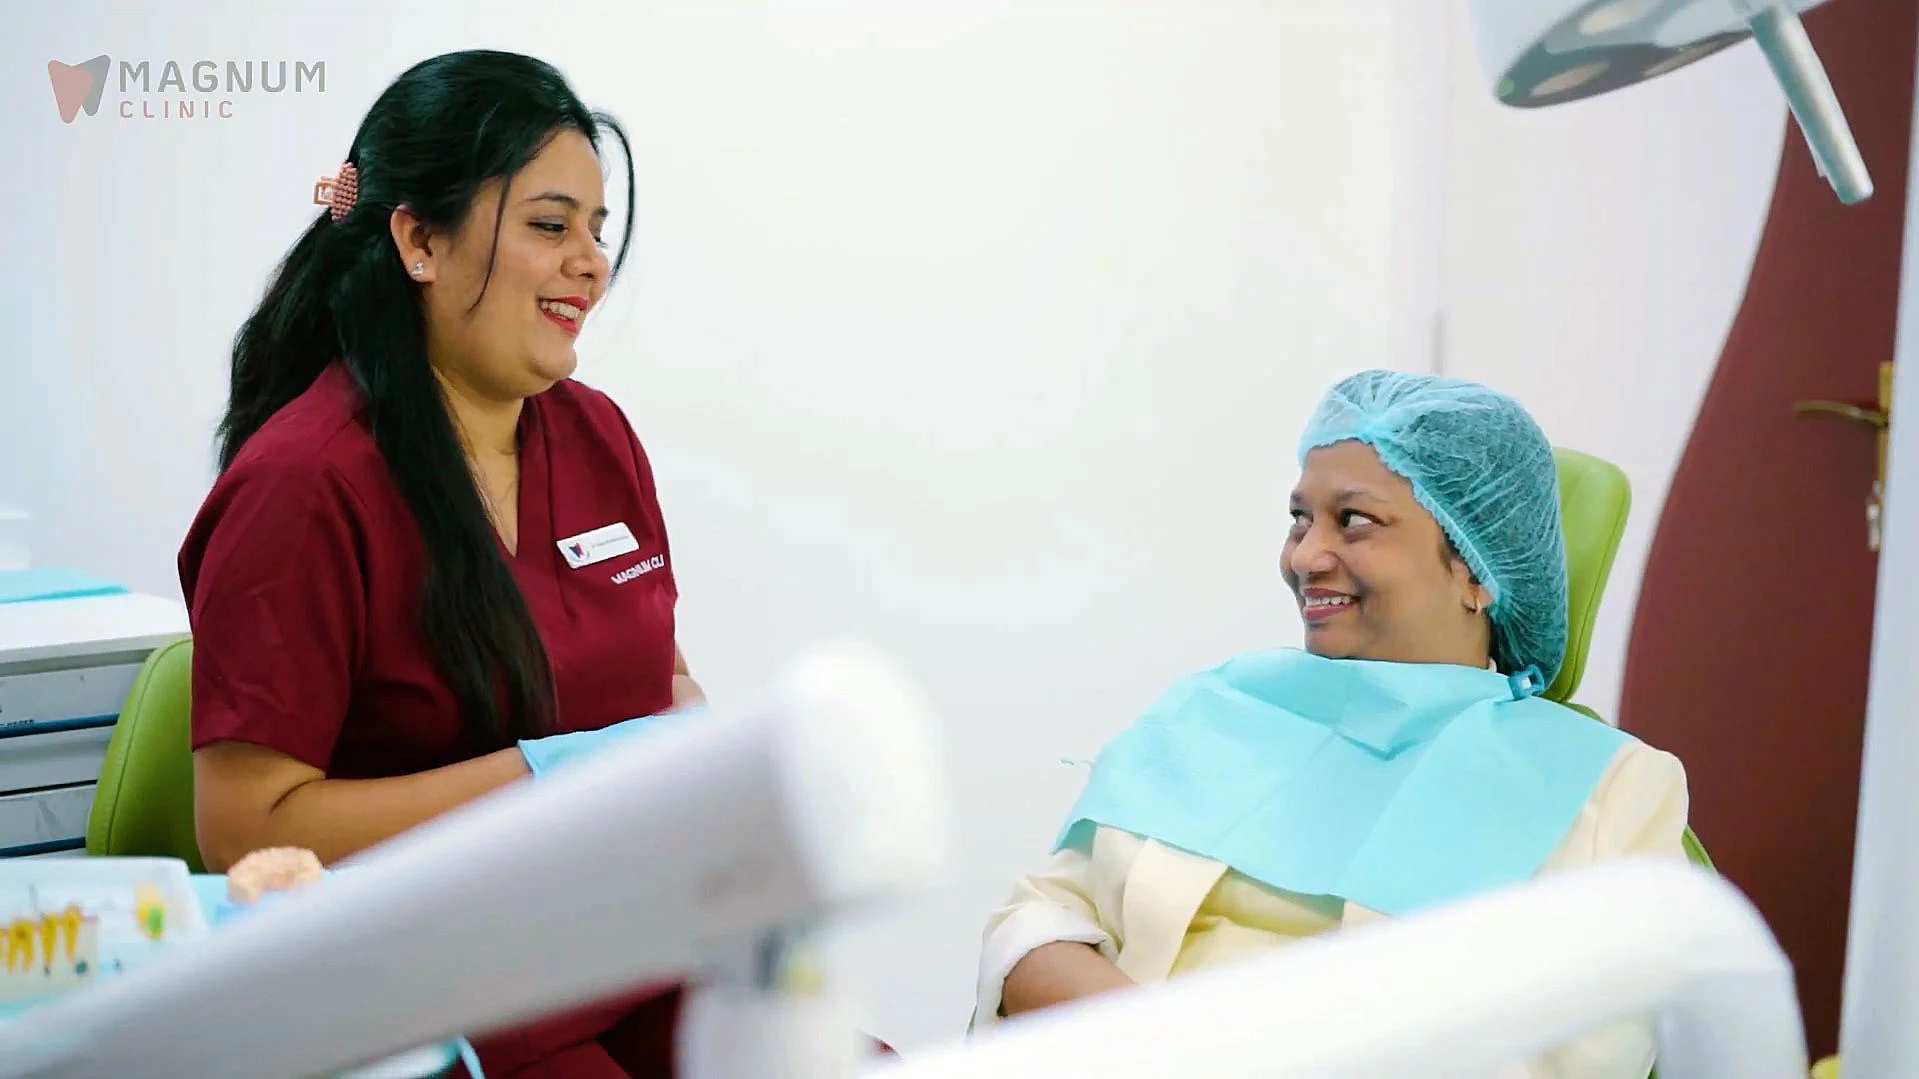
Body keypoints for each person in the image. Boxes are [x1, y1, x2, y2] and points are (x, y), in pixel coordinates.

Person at [179, 49, 705, 1078]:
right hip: (437, 1004)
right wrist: (537, 782)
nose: (591, 265)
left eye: (597, 231)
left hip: (635, 951)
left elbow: (656, 676)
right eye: (550, 225)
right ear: (419, 240)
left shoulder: (598, 437)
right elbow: (245, 828)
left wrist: (715, 767)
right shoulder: (306, 485)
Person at [971, 370, 1691, 1078]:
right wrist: (1158, 1048)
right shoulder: (1214, 711)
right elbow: (1035, 918)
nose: (1304, 557)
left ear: (1476, 569)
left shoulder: (1607, 785)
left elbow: (1570, 1057)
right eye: (1299, 518)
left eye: (1353, 521)